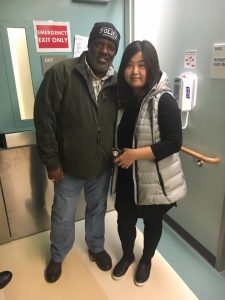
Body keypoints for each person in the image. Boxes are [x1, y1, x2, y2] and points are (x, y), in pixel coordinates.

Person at [34, 22, 120, 283]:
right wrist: (51, 161)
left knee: (97, 210)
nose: (104, 51)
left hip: (101, 167)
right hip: (68, 168)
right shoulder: (62, 73)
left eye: (111, 47)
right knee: (63, 214)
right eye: (100, 44)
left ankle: (95, 247)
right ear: (90, 44)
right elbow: (44, 119)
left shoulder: (117, 83)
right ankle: (58, 255)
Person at [111, 40, 187, 286]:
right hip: (125, 178)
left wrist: (134, 154)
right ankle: (127, 255)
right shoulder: (124, 99)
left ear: (152, 67)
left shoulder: (163, 100)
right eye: (130, 65)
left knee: (153, 223)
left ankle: (146, 260)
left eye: (142, 65)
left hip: (154, 179)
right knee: (124, 221)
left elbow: (173, 143)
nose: (135, 71)